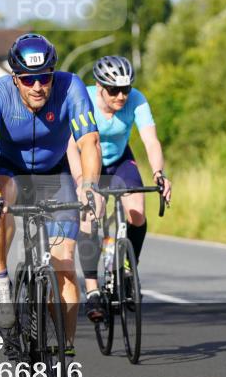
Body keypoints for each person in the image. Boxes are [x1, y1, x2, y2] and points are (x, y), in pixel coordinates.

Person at [0, 33, 102, 377]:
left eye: (44, 76)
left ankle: (67, 352)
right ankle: (0, 280)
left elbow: (88, 141)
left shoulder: (71, 87)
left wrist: (90, 186)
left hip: (54, 175)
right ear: (15, 77)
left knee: (64, 265)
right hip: (10, 171)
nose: (37, 86)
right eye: (28, 79)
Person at [67, 55, 172, 323]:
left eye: (126, 89)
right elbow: (69, 144)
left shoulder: (136, 99)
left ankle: (127, 270)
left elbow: (151, 141)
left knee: (136, 212)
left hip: (120, 160)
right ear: (99, 86)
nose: (121, 96)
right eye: (114, 90)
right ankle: (91, 291)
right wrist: (81, 181)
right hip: (88, 162)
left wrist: (159, 174)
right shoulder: (84, 99)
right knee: (91, 216)